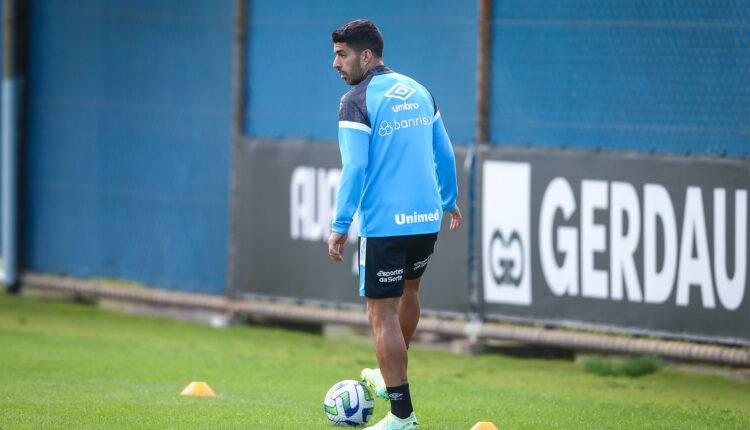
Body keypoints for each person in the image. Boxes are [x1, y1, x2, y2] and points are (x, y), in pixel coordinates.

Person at [326, 19, 461, 430]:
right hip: (425, 218)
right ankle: (389, 382)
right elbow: (446, 152)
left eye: (342, 54)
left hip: (385, 222)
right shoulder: (419, 91)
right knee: (410, 293)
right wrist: (449, 201)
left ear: (366, 56)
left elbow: (356, 168)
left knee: (379, 313)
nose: (335, 63)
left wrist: (340, 224)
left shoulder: (356, 100)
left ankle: (402, 416)